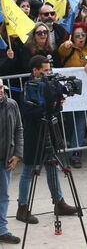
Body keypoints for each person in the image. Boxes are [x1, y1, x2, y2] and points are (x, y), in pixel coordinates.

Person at [16, 57, 78, 224]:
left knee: (52, 166)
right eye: (44, 71)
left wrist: (56, 103)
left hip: (50, 129)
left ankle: (59, 202)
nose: (48, 74)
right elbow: (29, 111)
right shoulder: (29, 87)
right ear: (35, 71)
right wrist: (49, 107)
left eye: (49, 70)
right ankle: (22, 208)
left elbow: (59, 104)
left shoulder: (53, 83)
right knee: (29, 170)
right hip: (34, 133)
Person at [0, 79, 22, 244]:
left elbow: (18, 129)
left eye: (1, 87)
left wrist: (17, 154)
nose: (0, 91)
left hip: (4, 158)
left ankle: (2, 230)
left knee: (3, 195)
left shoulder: (11, 104)